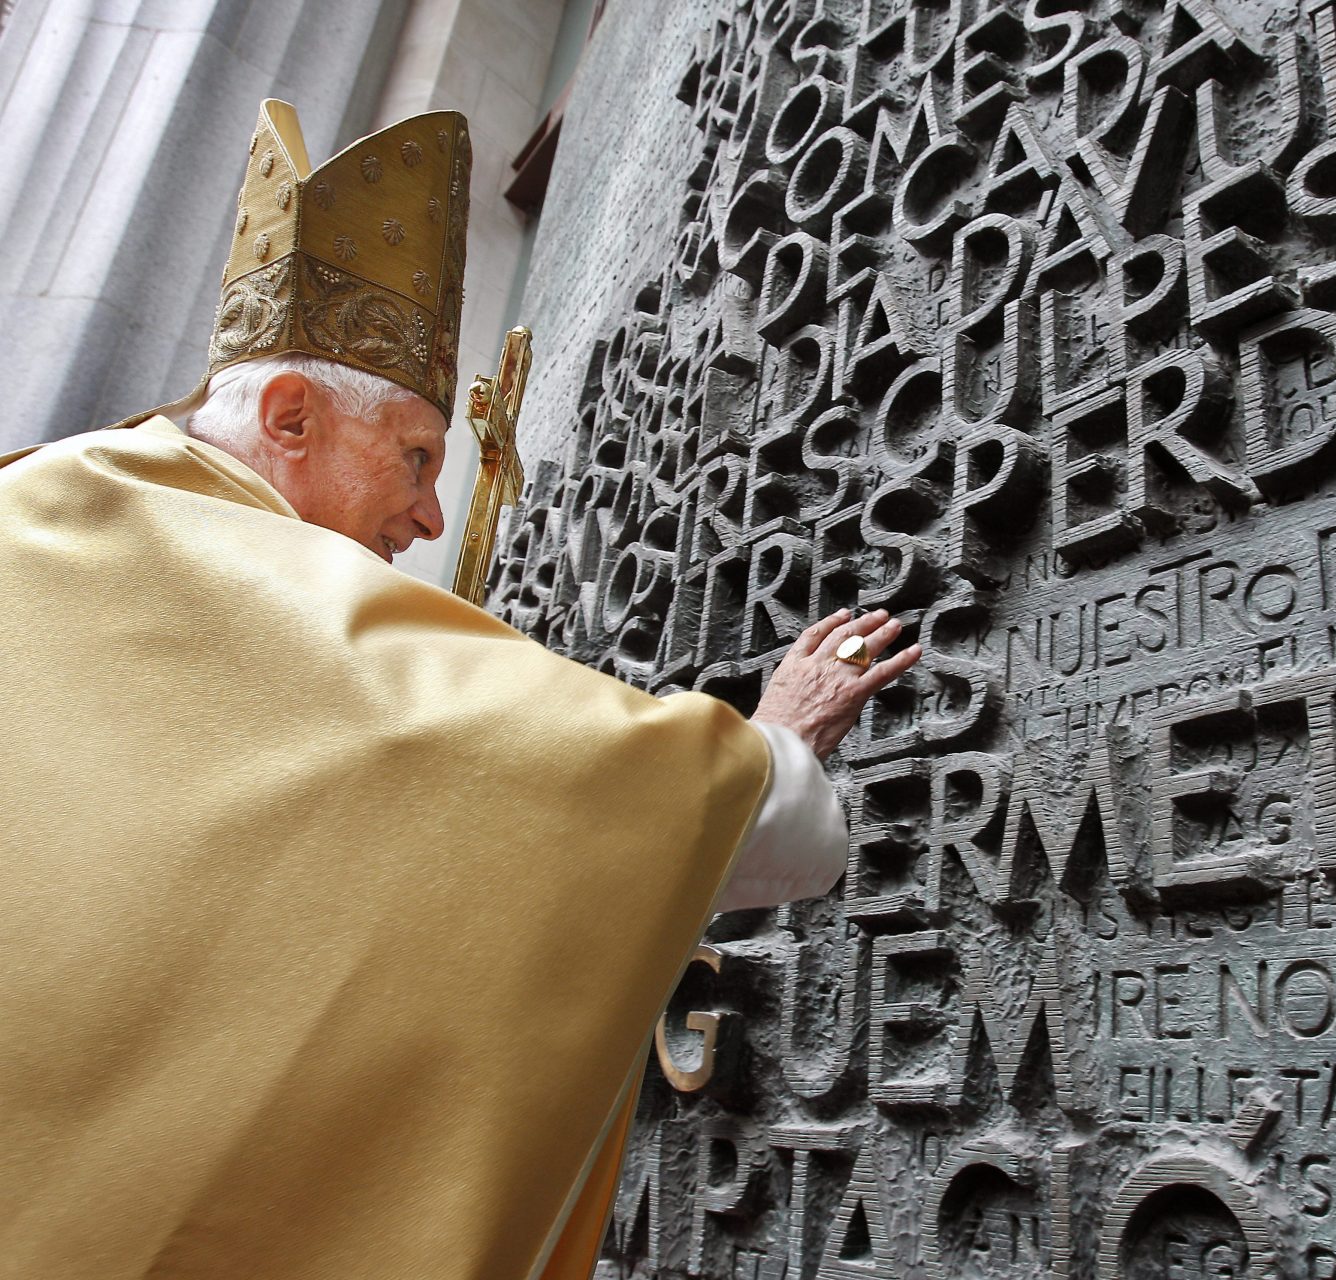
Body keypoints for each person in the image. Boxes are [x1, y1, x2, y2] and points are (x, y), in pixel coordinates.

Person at [0, 101, 911, 1278]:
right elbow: (465, 769)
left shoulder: (53, 508)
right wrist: (768, 757)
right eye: (418, 455)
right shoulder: (192, 549)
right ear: (289, 415)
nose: (432, 514)